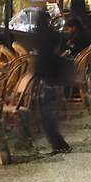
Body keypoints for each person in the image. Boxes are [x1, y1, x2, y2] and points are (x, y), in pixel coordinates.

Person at [28, 18, 73, 154]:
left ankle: (57, 143)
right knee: (45, 111)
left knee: (44, 112)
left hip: (43, 77)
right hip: (50, 77)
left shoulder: (38, 38)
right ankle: (57, 142)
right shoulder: (52, 35)